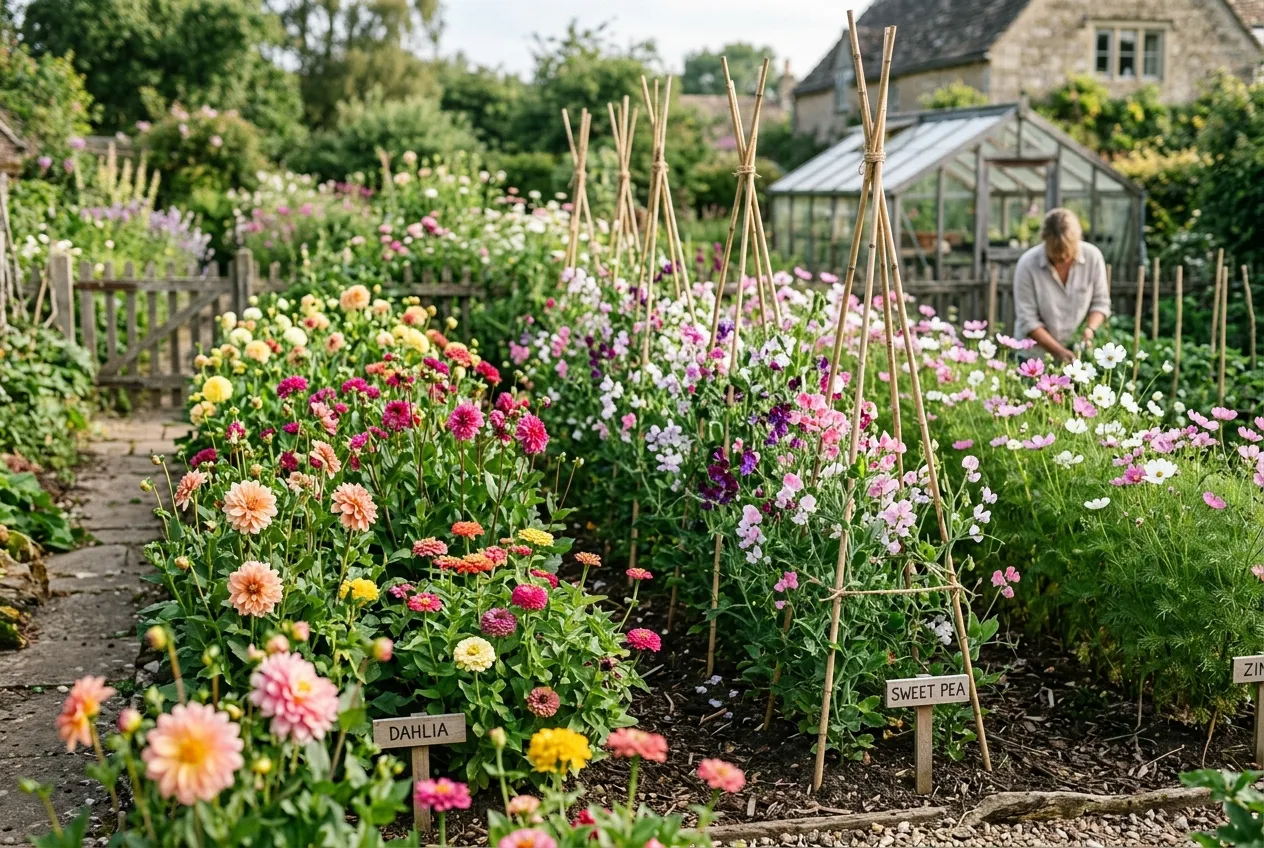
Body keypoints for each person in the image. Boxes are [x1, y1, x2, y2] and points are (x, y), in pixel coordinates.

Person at [1012, 208, 1111, 363]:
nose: (1063, 259)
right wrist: (1058, 351)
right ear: (1044, 240)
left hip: (1076, 350)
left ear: (1078, 239)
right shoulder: (1027, 264)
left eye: (1067, 253)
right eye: (1056, 256)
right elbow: (1027, 320)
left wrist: (1089, 329)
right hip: (1034, 356)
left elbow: (1101, 303)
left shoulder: (1093, 257)